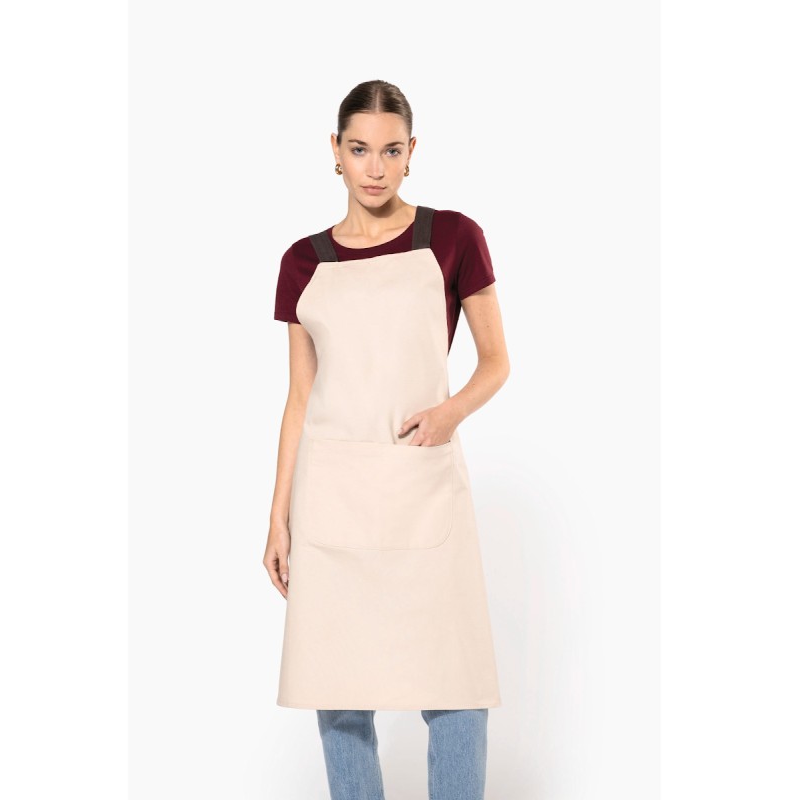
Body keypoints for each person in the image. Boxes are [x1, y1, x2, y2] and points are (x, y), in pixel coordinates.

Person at [264, 79, 510, 800]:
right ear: (335, 151)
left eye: (391, 151)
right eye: (360, 149)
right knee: (338, 690)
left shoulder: (452, 238)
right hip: (332, 497)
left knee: (455, 683)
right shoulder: (303, 261)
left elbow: (496, 361)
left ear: (412, 153)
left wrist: (450, 413)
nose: (375, 168)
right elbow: (300, 399)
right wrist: (278, 517)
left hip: (422, 486)